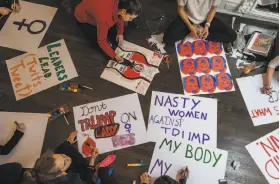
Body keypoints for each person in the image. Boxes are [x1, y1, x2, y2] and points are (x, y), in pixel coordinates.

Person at [25, 131, 116, 184]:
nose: (67, 158)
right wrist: (92, 160)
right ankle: (98, 173)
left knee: (63, 149)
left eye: (62, 156)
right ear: (60, 174)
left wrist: (68, 142)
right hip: (84, 178)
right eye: (64, 163)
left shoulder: (41, 168)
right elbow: (87, 180)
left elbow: (59, 151)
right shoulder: (73, 180)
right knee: (93, 171)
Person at [74, 0, 141, 62]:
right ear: (123, 11)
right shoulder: (104, 18)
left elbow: (120, 16)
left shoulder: (119, 5)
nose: (130, 20)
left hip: (93, 6)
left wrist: (120, 33)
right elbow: (101, 41)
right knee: (96, 43)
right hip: (82, 15)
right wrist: (115, 56)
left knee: (117, 30)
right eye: (130, 18)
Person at [163, 0, 237, 54]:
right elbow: (180, 9)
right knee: (167, 39)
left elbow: (213, 9)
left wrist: (207, 25)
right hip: (188, 18)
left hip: (205, 18)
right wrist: (190, 27)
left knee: (232, 36)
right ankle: (192, 31)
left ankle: (201, 34)